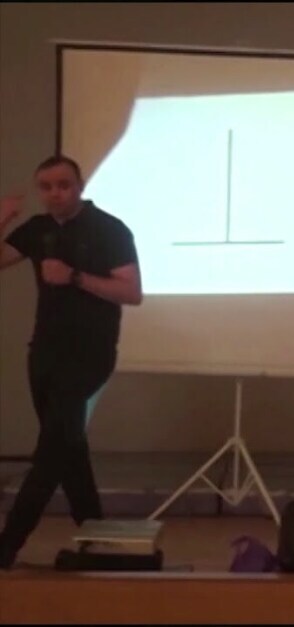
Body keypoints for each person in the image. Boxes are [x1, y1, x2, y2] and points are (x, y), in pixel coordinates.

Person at [0, 155, 143, 569]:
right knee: (68, 449)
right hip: (44, 354)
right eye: (46, 187)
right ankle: (98, 540)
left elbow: (131, 292)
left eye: (63, 185)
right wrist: (3, 218)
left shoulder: (109, 229)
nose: (55, 194)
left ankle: (7, 545)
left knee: (50, 455)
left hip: (90, 356)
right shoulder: (37, 229)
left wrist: (75, 277)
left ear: (79, 186)